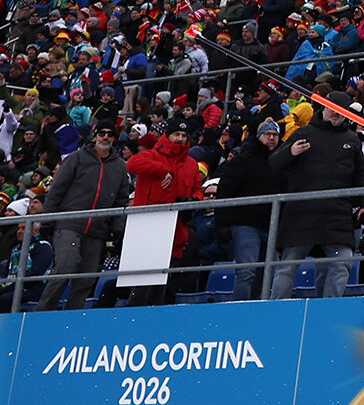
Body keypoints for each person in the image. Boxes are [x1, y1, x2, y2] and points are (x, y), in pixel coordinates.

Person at [269, 91, 364, 299]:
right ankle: (276, 309)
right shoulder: (303, 133)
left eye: (340, 111)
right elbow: (273, 163)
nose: (335, 114)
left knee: (342, 263)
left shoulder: (352, 140)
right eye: (331, 109)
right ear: (323, 108)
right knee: (288, 266)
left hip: (337, 214)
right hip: (302, 213)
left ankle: (329, 310)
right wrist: (291, 153)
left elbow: (361, 176)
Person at [34, 120, 130, 310]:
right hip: (69, 223)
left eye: (110, 134)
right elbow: (57, 190)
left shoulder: (119, 166)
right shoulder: (77, 158)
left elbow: (121, 200)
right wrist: (48, 221)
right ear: (94, 135)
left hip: (97, 230)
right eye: (102, 133)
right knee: (65, 267)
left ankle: (72, 320)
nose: (105, 137)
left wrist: (117, 229)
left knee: (86, 277)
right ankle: (42, 313)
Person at [125, 117, 204, 306]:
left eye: (184, 135)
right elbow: (132, 164)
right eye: (176, 134)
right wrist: (162, 170)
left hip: (177, 228)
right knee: (142, 283)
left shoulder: (192, 164)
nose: (180, 139)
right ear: (167, 136)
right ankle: (131, 322)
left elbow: (198, 189)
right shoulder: (152, 155)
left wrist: (194, 200)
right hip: (149, 227)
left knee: (164, 283)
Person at [214, 118, 283, 300]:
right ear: (259, 137)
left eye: (275, 134)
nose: (271, 138)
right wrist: (222, 224)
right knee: (247, 272)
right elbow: (225, 191)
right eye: (267, 134)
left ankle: (259, 310)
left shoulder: (283, 161)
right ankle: (242, 310)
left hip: (272, 226)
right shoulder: (243, 160)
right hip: (245, 224)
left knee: (266, 274)